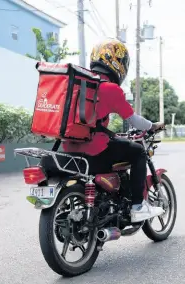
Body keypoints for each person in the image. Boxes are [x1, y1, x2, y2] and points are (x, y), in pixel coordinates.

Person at [63, 38, 165, 223]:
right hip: (95, 151)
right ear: (117, 64)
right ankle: (137, 206)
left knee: (120, 146)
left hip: (69, 148)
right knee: (138, 151)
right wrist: (152, 126)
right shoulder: (110, 88)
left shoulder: (77, 85)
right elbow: (133, 120)